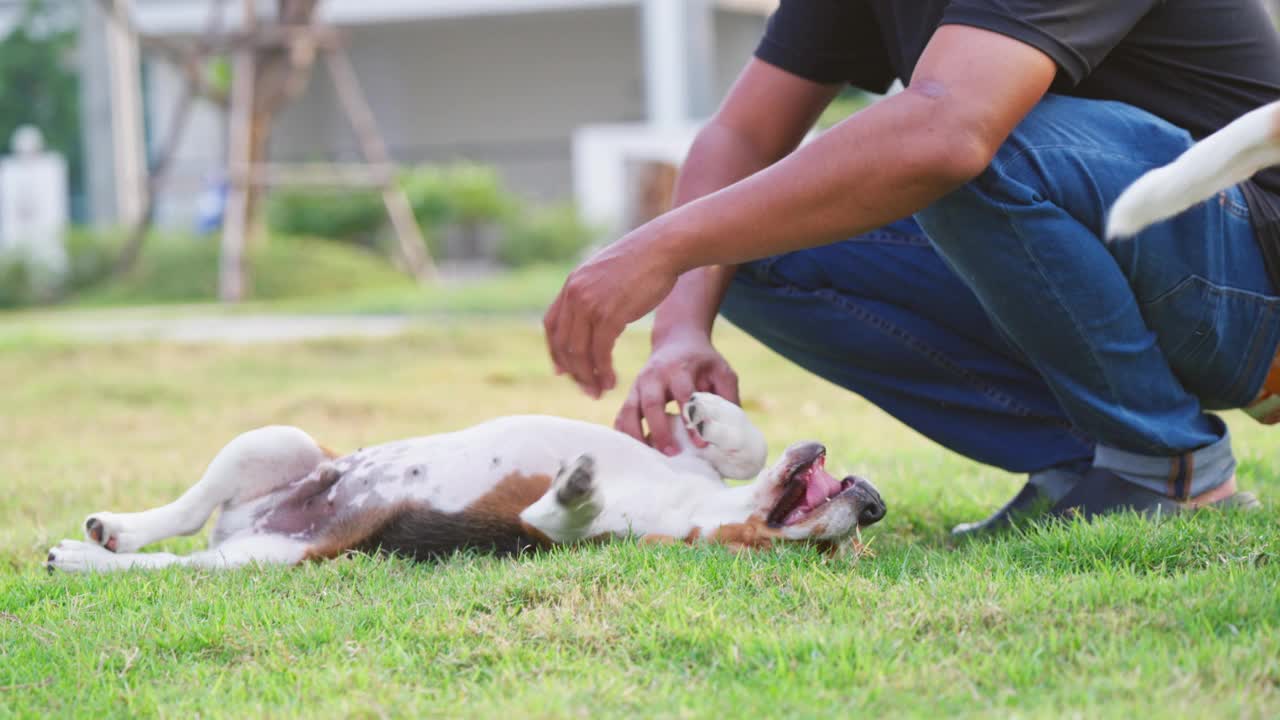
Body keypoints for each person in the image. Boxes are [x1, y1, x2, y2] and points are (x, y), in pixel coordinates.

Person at [543, 1, 1280, 534]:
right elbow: (742, 134)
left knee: (953, 142)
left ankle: (1165, 469)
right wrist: (679, 325)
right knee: (749, 248)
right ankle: (1091, 461)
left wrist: (658, 246)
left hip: (1249, 278)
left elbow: (945, 135)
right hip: (1138, 256)